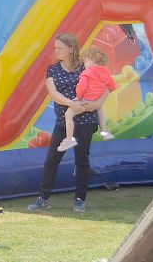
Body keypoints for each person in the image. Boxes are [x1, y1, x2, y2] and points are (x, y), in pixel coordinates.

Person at [28, 33, 111, 212]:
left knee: (82, 160)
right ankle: (43, 198)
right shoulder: (53, 70)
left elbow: (106, 83)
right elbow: (54, 93)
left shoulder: (86, 66)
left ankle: (79, 199)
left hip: (86, 120)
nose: (56, 51)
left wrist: (97, 103)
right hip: (64, 120)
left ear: (71, 50)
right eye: (55, 48)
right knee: (52, 159)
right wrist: (72, 103)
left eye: (60, 48)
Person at [58, 47, 117, 152]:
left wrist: (78, 97)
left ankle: (69, 139)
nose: (84, 64)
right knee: (100, 110)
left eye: (85, 61)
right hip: (96, 100)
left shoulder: (87, 73)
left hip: (84, 100)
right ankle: (104, 131)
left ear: (92, 60)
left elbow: (81, 86)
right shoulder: (106, 73)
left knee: (68, 115)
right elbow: (112, 85)